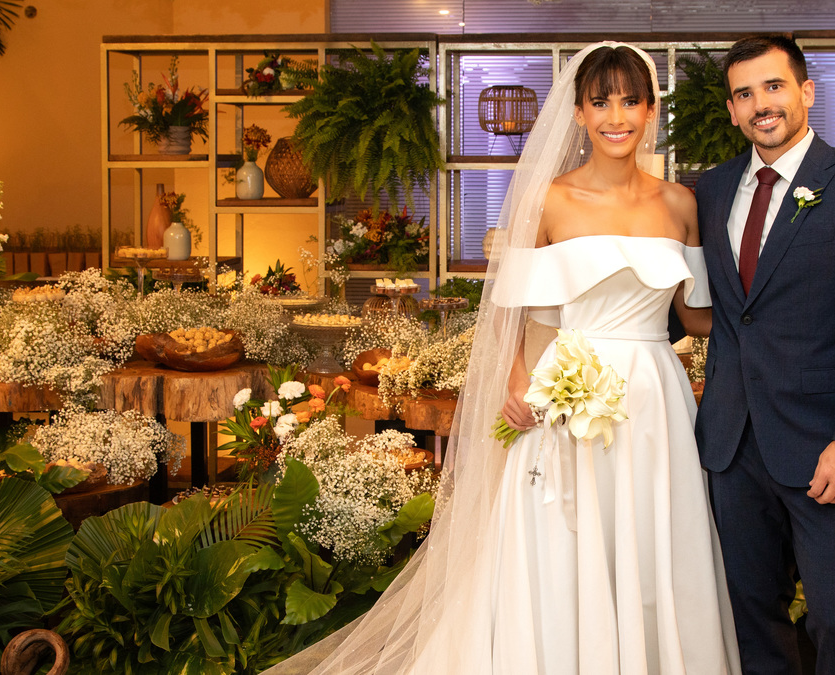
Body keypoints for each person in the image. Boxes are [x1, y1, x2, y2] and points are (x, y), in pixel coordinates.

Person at [264, 42, 740, 675]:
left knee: (653, 541)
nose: (616, 116)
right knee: (563, 544)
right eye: (601, 102)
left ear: (651, 110)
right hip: (568, 393)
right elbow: (534, 315)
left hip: (655, 400)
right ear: (578, 113)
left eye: (630, 100)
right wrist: (520, 380)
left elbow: (701, 316)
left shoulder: (683, 204)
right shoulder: (549, 201)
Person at [692, 35, 835, 675]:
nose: (760, 104)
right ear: (732, 111)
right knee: (750, 612)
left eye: (773, 86)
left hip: (829, 448)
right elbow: (695, 306)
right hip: (733, 447)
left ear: (806, 93)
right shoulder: (709, 192)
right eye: (744, 93)